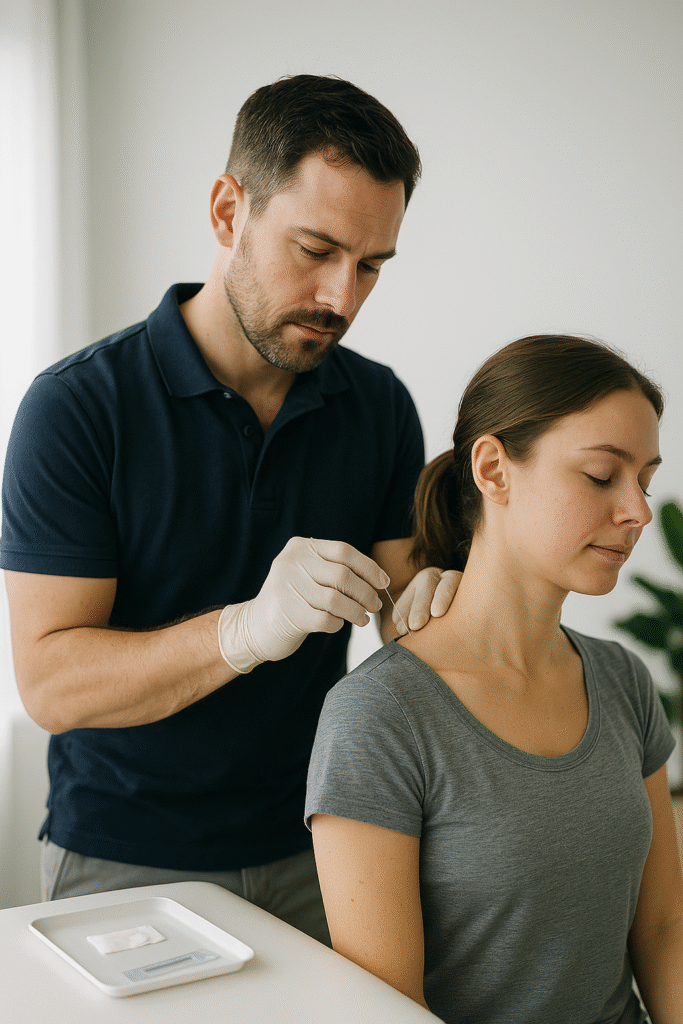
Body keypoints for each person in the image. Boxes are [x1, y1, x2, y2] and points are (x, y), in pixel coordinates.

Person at [0, 74, 458, 941]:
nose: (341, 299)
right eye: (315, 249)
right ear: (226, 211)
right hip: (127, 858)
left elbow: (407, 614)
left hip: (323, 841)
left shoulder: (378, 405)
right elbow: (52, 684)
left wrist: (443, 600)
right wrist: (248, 629)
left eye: (370, 266)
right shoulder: (77, 409)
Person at [306, 335, 683, 1021]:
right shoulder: (378, 716)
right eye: (601, 475)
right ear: (492, 468)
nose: (637, 511)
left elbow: (661, 930)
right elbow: (389, 1005)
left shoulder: (620, 680)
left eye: (645, 480)